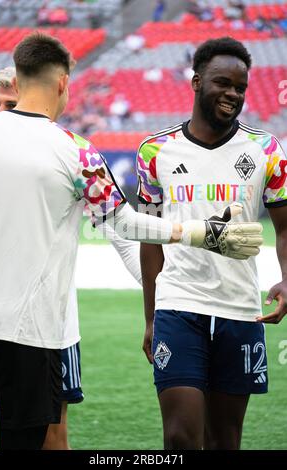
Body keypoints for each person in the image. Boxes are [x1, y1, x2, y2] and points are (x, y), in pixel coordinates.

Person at [0, 33, 262, 450]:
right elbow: (125, 224)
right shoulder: (76, 152)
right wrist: (198, 233)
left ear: (18, 79)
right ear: (63, 84)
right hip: (29, 333)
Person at [137, 36, 287, 450]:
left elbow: (285, 227)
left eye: (241, 87)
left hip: (240, 309)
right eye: (223, 83)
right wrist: (151, 316)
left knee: (224, 439)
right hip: (178, 306)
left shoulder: (266, 150)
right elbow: (150, 237)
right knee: (181, 437)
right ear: (196, 81)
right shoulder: (155, 151)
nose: (233, 94)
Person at [0, 67, 142, 450]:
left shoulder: (66, 155)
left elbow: (120, 232)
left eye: (10, 103)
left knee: (50, 438)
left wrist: (163, 292)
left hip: (48, 326)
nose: (2, 110)